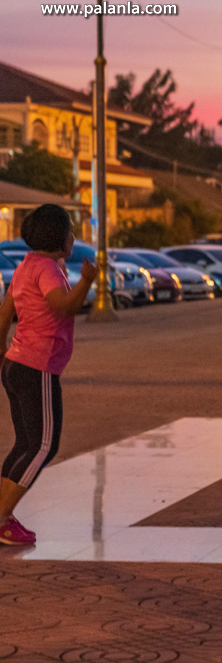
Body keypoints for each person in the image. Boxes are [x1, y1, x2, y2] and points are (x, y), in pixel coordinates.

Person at [0, 205, 97, 545]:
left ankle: (4, 514)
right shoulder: (47, 270)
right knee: (43, 445)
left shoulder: (26, 266)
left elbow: (5, 314)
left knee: (26, 443)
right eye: (70, 230)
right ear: (58, 237)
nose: (74, 237)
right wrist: (87, 281)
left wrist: (2, 354)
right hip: (36, 366)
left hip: (17, 364)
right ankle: (1, 516)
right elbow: (63, 307)